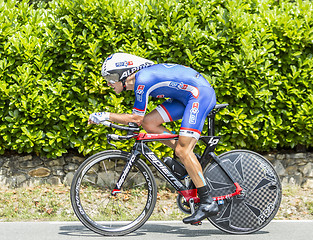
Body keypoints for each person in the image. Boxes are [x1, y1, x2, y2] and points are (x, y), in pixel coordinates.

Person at [88, 53, 218, 224]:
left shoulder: (142, 81)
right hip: (184, 97)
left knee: (183, 150)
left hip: (199, 95)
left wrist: (106, 115)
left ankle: (208, 202)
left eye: (111, 77)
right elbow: (141, 121)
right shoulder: (140, 82)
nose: (108, 83)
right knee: (150, 123)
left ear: (124, 74)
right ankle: (189, 161)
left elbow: (135, 119)